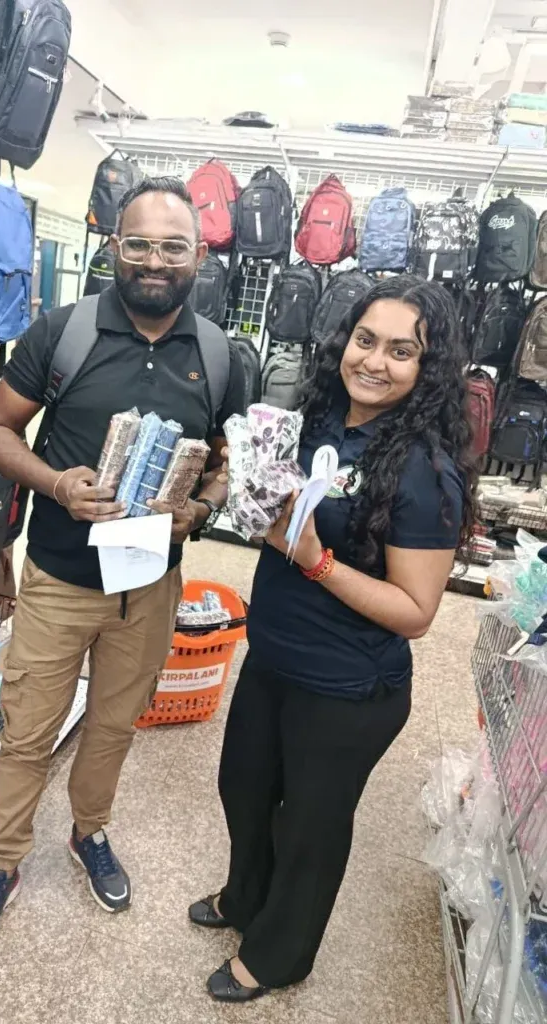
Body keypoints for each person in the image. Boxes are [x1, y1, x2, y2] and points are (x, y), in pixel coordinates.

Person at [0, 176, 245, 964]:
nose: (154, 260)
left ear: (199, 255)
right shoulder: (64, 331)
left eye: (172, 246)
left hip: (148, 587)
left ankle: (90, 832)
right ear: (115, 247)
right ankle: (2, 863)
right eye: (138, 243)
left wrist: (200, 508)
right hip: (58, 578)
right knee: (28, 733)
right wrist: (56, 484)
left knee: (114, 726)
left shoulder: (220, 355)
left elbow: (230, 463)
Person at [188, 276, 476, 1001]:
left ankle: (279, 955)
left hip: (349, 685)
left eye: (401, 351)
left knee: (309, 827)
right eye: (365, 340)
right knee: (244, 788)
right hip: (273, 657)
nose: (374, 361)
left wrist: (314, 559)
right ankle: (246, 898)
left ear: (428, 368)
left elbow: (415, 611)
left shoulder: (425, 473)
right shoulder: (315, 422)